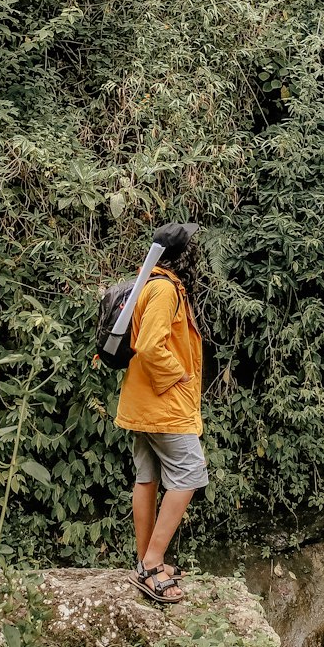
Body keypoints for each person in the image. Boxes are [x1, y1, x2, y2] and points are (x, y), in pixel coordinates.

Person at [114, 221, 207, 605]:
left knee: (148, 476)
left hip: (144, 402)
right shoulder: (165, 289)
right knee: (189, 474)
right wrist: (180, 375)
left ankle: (145, 561)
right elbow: (151, 347)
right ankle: (152, 563)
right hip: (162, 404)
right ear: (182, 257)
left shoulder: (150, 283)